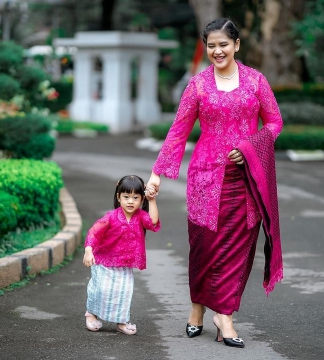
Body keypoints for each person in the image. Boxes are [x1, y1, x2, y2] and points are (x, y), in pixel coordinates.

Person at [146, 18, 283, 348]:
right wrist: (157, 172)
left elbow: (275, 122)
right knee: (204, 247)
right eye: (211, 45)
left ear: (236, 45)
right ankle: (197, 309)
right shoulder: (198, 85)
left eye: (223, 44)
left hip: (246, 179)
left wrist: (252, 146)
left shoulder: (256, 81)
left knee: (238, 248)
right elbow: (179, 130)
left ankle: (225, 315)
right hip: (205, 178)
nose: (217, 50)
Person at [83, 175, 160, 335]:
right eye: (126, 197)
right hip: (104, 261)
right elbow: (94, 232)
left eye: (135, 198)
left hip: (125, 264)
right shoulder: (111, 217)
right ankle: (91, 313)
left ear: (141, 199)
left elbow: (153, 223)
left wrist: (152, 200)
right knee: (101, 290)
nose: (130, 201)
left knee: (123, 292)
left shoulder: (140, 216)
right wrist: (89, 250)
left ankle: (122, 321)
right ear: (118, 197)